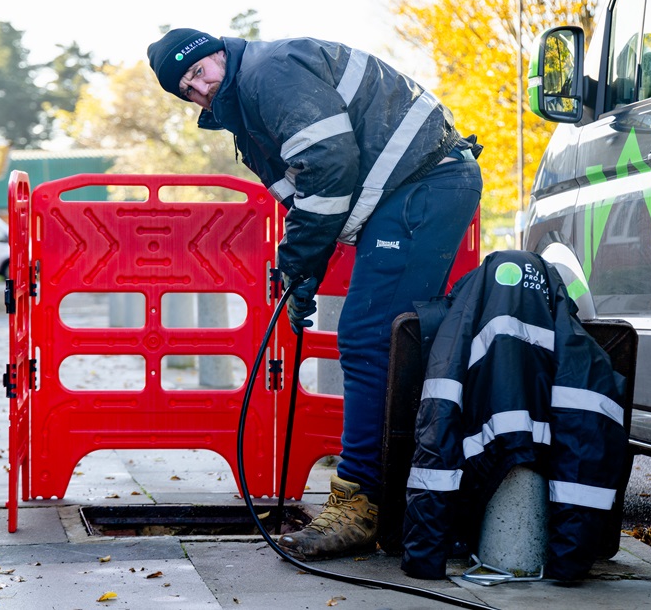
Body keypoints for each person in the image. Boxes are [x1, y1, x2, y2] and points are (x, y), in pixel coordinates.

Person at [147, 28, 482, 561]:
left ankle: (361, 503)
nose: (199, 89)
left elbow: (328, 169)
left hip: (425, 184)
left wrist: (297, 266)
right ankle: (404, 498)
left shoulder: (268, 73)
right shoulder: (247, 105)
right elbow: (309, 195)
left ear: (216, 52)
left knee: (369, 337)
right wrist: (301, 273)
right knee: (387, 340)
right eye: (185, 88)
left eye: (198, 72)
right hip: (413, 189)